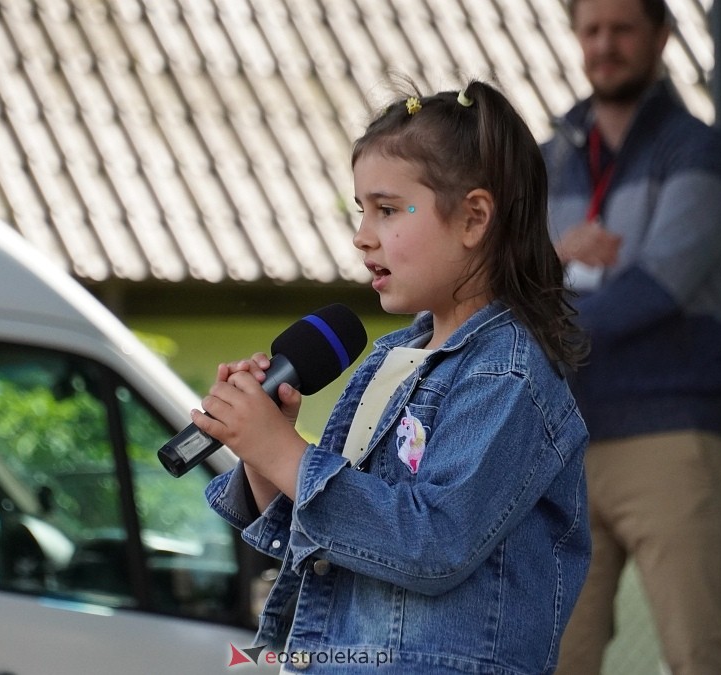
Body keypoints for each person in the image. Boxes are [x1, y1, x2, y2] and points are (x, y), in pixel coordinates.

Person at [195, 79, 590, 674]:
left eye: (387, 209)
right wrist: (264, 452)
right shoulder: (389, 359)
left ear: (473, 218)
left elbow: (432, 544)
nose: (362, 236)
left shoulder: (509, 375)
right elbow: (340, 529)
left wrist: (288, 455)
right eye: (361, 211)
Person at [542, 1, 721, 674]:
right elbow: (500, 279)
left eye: (623, 28)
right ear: (575, 38)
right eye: (591, 29)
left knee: (702, 657)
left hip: (669, 442)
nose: (605, 44)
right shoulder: (547, 163)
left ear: (661, 35)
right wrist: (557, 269)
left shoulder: (700, 151)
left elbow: (656, 292)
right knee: (554, 659)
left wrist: (545, 302)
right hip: (563, 448)